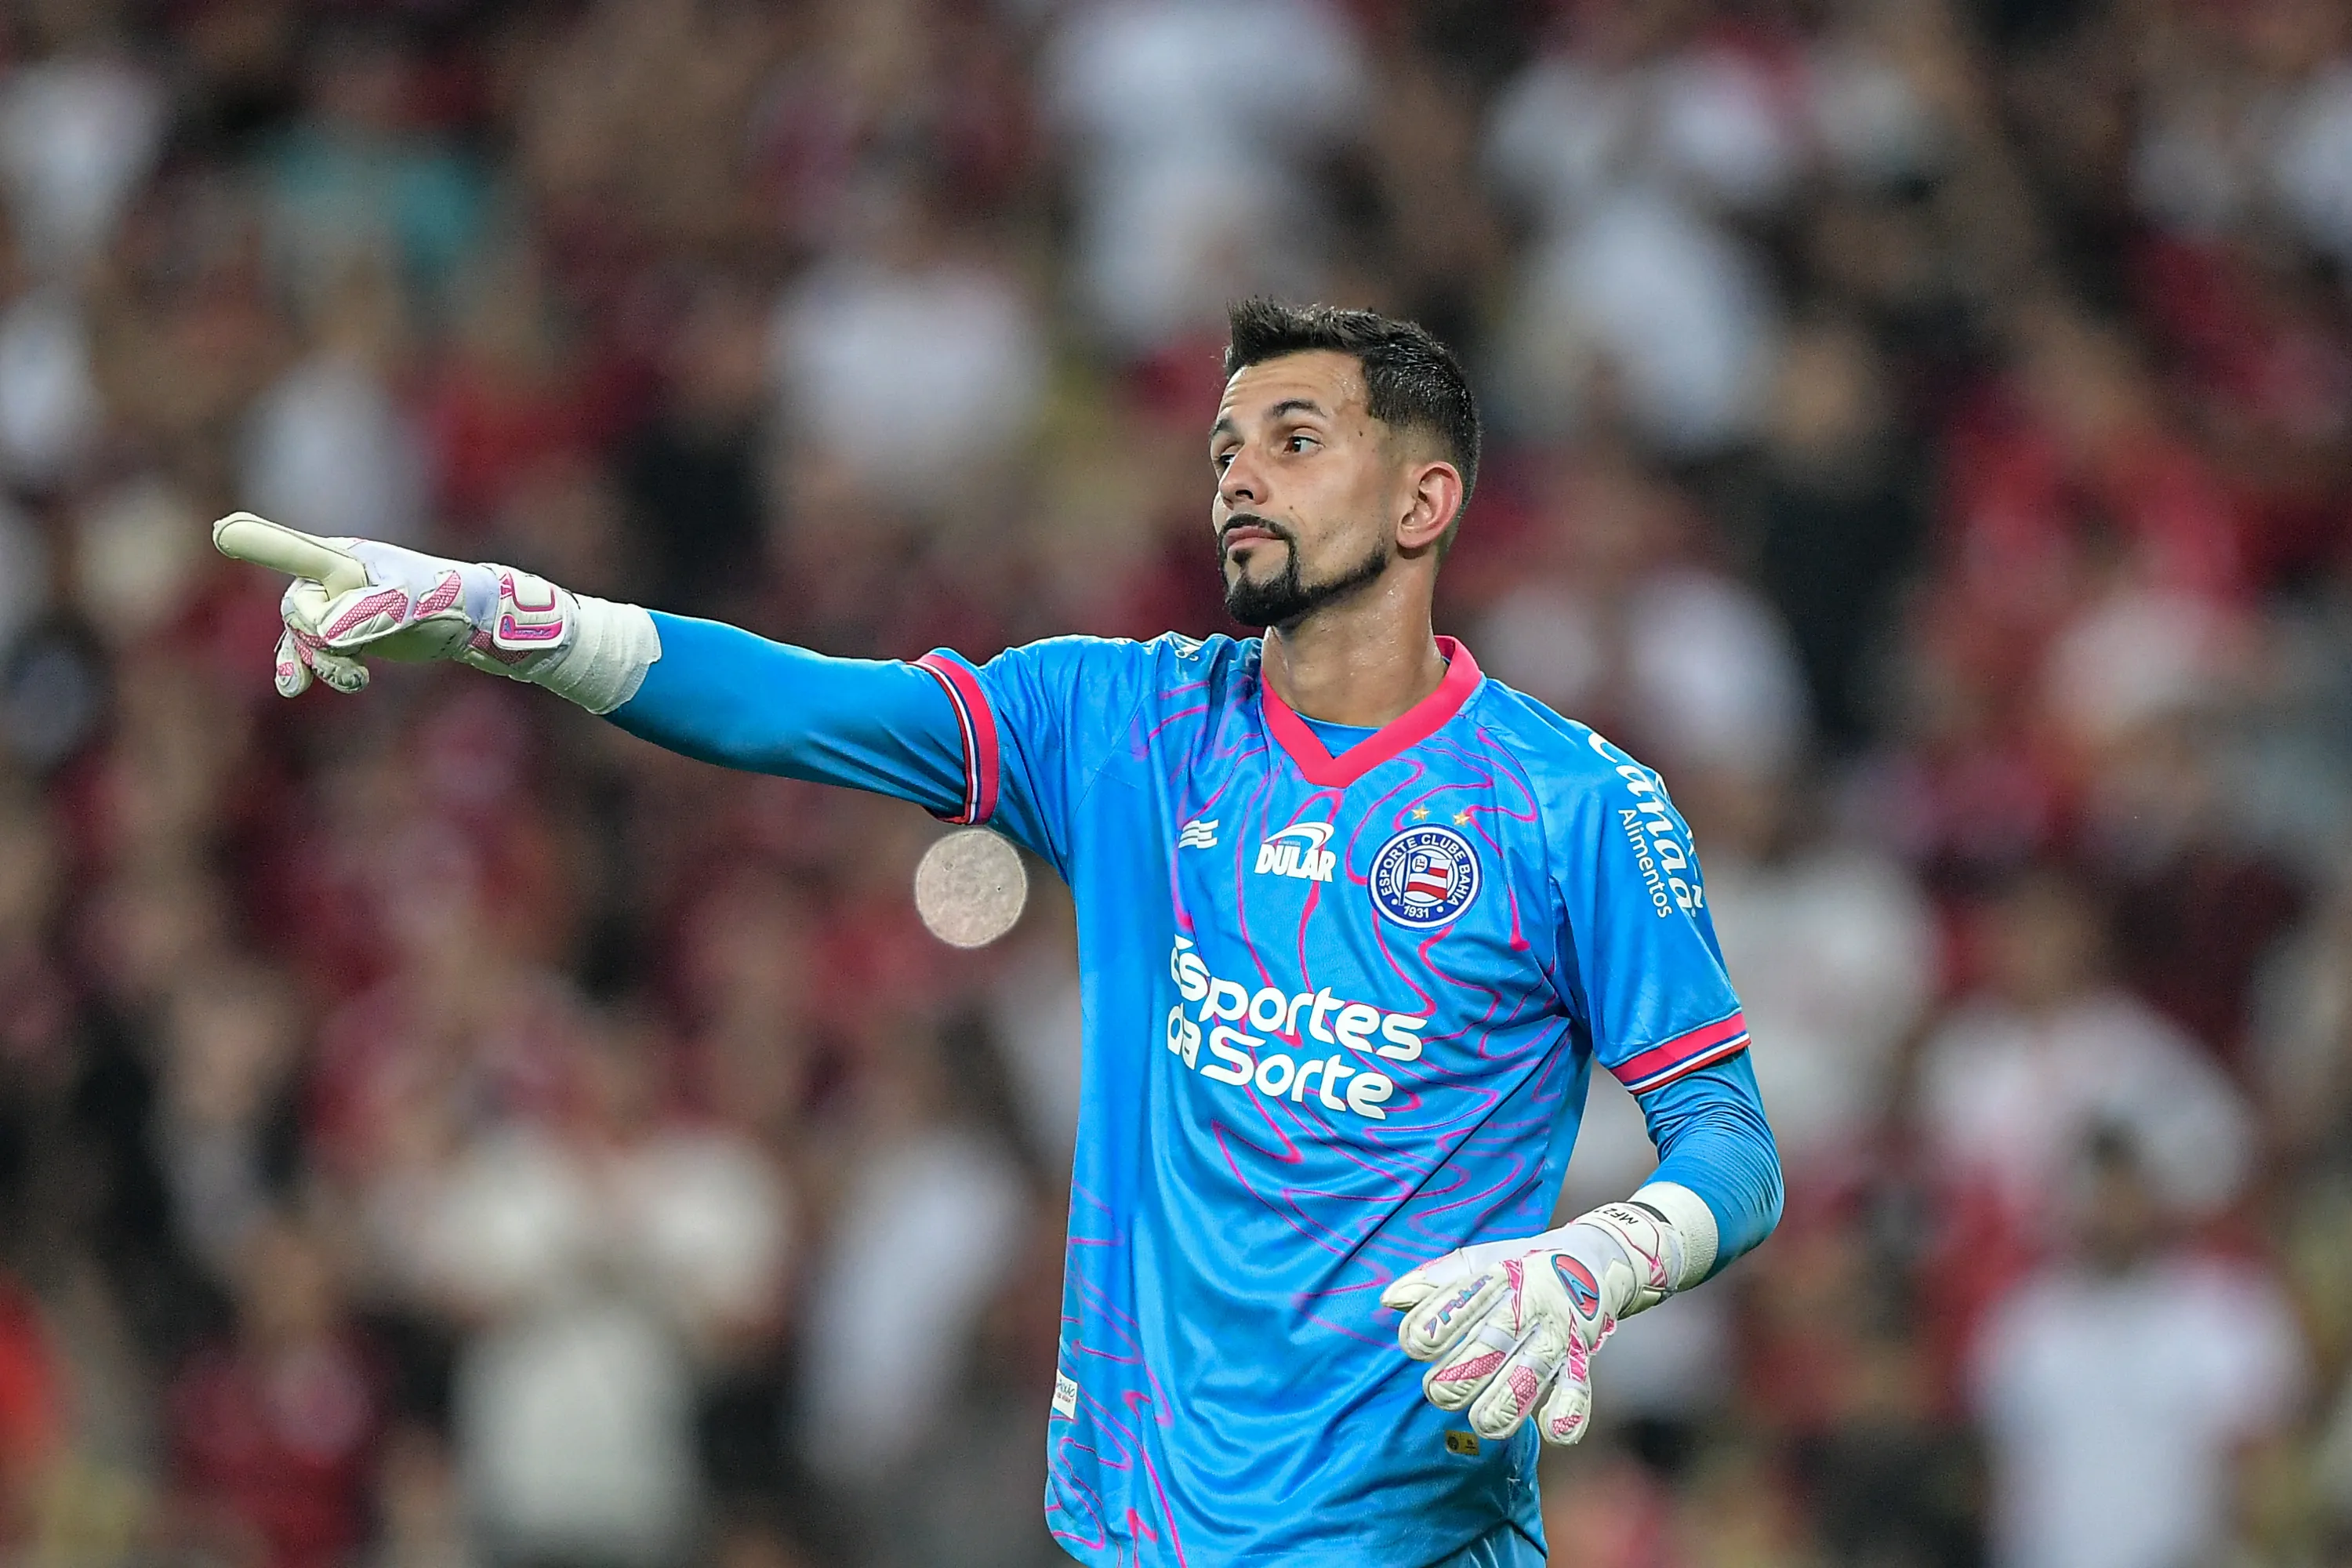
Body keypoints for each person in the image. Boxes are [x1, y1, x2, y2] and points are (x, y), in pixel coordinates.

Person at [214, 299, 1783, 1567]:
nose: (1237, 474)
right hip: (1128, 1534)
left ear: (1425, 499)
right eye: (1226, 442)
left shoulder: (1572, 804)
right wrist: (504, 615)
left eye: (1295, 441)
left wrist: (1600, 1260)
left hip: (1404, 1543)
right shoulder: (1121, 718)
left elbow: (1731, 1139)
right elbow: (808, 707)